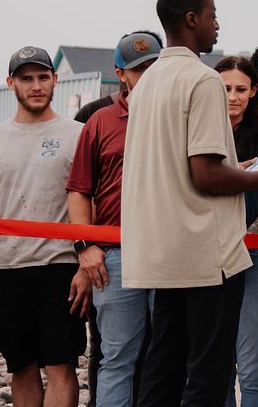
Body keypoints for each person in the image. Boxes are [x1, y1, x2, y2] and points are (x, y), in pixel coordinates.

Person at [120, 0, 258, 406]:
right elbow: (205, 174)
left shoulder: (145, 83)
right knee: (208, 373)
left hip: (162, 248)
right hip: (205, 253)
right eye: (212, 15)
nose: (217, 24)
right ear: (191, 20)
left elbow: (180, 168)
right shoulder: (202, 81)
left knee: (162, 367)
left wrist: (244, 170)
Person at [0, 46, 89, 407]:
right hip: (6, 269)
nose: (36, 86)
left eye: (43, 77)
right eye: (26, 78)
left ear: (55, 80)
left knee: (61, 365)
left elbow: (88, 206)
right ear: (11, 83)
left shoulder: (78, 135)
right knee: (22, 367)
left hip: (61, 267)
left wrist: (84, 265)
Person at [65, 31, 161, 406]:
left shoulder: (180, 116)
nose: (147, 75)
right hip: (116, 254)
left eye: (154, 66)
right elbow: (79, 191)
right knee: (117, 357)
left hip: (168, 252)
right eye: (139, 69)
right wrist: (85, 247)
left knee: (165, 356)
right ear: (121, 74)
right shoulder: (100, 121)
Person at [215, 56, 258, 407]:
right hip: (208, 260)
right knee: (218, 365)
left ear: (254, 91)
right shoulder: (201, 141)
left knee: (252, 366)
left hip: (255, 258)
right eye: (225, 88)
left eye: (241, 89)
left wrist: (244, 242)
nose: (233, 96)